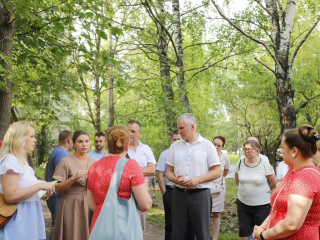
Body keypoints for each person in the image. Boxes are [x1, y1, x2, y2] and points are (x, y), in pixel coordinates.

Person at [253, 124, 320, 240]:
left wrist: (263, 235)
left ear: (294, 151)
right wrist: (263, 227)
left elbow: (292, 224)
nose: (281, 152)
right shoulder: (294, 171)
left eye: (283, 147)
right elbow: (277, 210)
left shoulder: (305, 177)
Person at [87, 125, 152, 234]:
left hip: (99, 226)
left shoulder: (93, 167)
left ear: (107, 144)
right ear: (127, 146)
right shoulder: (131, 165)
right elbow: (145, 205)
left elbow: (93, 205)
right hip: (122, 228)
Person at [166, 113, 221, 240]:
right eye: (178, 128)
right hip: (179, 195)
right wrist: (175, 179)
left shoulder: (207, 146)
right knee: (178, 234)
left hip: (200, 195)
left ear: (192, 126)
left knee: (202, 234)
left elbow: (217, 171)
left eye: (181, 128)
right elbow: (168, 171)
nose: (179, 132)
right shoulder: (175, 146)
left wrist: (197, 180)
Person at [0, 121, 54, 240]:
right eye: (31, 136)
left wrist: (42, 192)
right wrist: (40, 186)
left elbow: (24, 189)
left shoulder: (21, 162)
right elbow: (10, 196)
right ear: (19, 137)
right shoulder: (10, 161)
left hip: (29, 217)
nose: (35, 140)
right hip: (18, 220)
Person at [51, 130, 96, 240]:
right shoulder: (65, 161)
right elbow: (57, 189)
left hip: (90, 204)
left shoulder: (94, 162)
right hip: (71, 204)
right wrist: (73, 178)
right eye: (80, 141)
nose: (84, 144)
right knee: (72, 234)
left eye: (86, 141)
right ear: (73, 143)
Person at [157, 130, 195, 240]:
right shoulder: (165, 154)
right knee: (170, 222)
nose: (176, 141)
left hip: (187, 191)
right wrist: (165, 193)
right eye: (174, 139)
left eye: (179, 139)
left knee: (189, 221)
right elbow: (160, 174)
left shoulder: (188, 152)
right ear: (171, 140)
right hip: (170, 191)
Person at [235, 140, 276, 240]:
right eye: (245, 149)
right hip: (243, 204)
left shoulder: (265, 164)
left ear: (257, 151)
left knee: (259, 234)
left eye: (249, 149)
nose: (246, 151)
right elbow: (237, 180)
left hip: (261, 206)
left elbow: (273, 183)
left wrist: (260, 192)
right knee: (243, 232)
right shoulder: (240, 162)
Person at [127, 120, 156, 237]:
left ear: (139, 133)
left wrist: (132, 173)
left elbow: (152, 170)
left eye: (133, 131)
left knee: (141, 217)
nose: (130, 134)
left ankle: (141, 236)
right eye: (128, 131)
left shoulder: (146, 149)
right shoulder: (120, 148)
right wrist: (142, 170)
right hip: (125, 190)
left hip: (142, 189)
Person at [45, 130, 73, 239]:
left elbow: (46, 171)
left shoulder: (56, 151)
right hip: (57, 196)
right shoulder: (62, 154)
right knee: (57, 227)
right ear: (69, 140)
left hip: (54, 195)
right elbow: (63, 176)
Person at [211, 135, 231, 240]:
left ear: (222, 147)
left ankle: (215, 238)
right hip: (206, 187)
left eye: (218, 145)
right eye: (214, 144)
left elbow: (226, 171)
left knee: (216, 214)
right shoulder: (207, 154)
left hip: (219, 188)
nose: (216, 147)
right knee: (204, 213)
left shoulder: (225, 157)